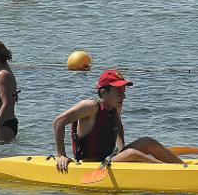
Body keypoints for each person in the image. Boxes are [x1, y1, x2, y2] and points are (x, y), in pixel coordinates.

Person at [53, 69, 183, 171]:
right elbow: (59, 122)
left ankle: (184, 167)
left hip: (110, 159)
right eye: (119, 92)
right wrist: (62, 155)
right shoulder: (90, 106)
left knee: (147, 142)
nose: (124, 96)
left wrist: (122, 150)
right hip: (92, 163)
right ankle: (171, 171)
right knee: (132, 153)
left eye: (124, 91)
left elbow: (118, 125)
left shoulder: (115, 107)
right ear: (104, 93)